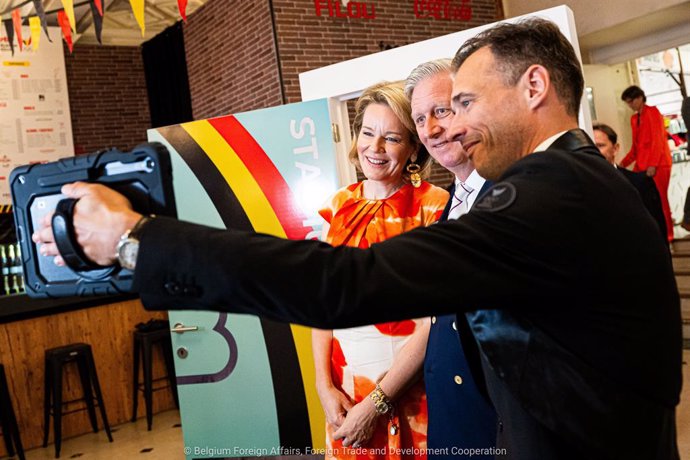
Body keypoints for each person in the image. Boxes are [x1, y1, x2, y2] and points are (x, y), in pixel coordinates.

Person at [34, 18, 682, 460]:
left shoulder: (549, 193)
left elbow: (347, 285)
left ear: (533, 86)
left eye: (464, 102)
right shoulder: (579, 184)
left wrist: (135, 240)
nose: (450, 124)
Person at [311, 81, 448, 458]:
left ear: (413, 148)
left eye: (391, 138)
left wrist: (376, 403)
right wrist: (323, 386)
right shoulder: (339, 203)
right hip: (343, 393)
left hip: (408, 393)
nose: (375, 147)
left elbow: (432, 324)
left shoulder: (434, 208)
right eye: (368, 133)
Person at [404, 59, 496, 458]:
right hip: (450, 423)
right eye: (420, 119)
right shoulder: (450, 203)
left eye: (441, 111)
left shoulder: (508, 193)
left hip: (494, 425)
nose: (431, 129)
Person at [593, 122, 668, 242]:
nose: (594, 152)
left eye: (600, 146)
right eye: (590, 147)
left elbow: (658, 232)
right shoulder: (580, 188)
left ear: (615, 149)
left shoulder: (640, 183)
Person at [620, 85, 674, 241]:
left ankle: (668, 234)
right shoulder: (634, 118)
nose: (630, 105)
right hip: (644, 166)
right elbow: (636, 147)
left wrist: (653, 164)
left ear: (640, 98)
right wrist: (622, 163)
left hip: (658, 165)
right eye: (627, 103)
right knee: (644, 201)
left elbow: (658, 140)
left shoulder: (653, 112)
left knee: (661, 200)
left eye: (631, 101)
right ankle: (656, 233)